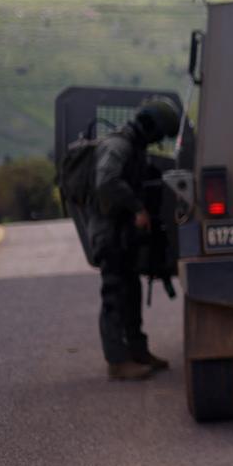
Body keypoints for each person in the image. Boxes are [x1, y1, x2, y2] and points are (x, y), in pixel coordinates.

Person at [91, 96, 181, 381]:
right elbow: (106, 182)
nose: (157, 141)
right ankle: (117, 362)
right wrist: (137, 207)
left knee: (131, 293)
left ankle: (138, 352)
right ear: (151, 125)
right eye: (159, 134)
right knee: (115, 295)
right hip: (111, 235)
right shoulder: (118, 146)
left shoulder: (134, 148)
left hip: (124, 235)